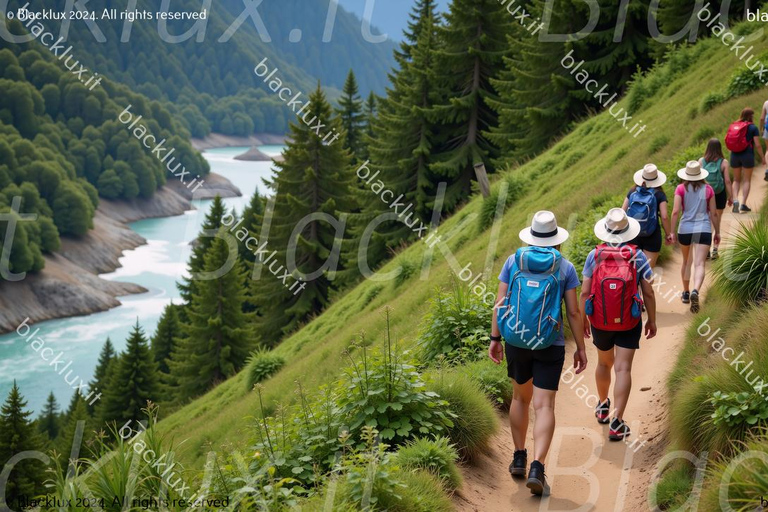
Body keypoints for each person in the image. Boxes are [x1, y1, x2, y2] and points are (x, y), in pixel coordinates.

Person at [489, 210, 588, 497]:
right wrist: (581, 347)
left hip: (516, 340)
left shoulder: (514, 261)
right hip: (549, 343)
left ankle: (519, 456)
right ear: (556, 239)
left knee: (520, 397)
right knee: (544, 406)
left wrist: (495, 337)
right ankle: (537, 467)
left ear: (531, 235)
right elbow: (572, 311)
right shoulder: (565, 267)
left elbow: (499, 302)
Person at [580, 208, 657, 442]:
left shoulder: (594, 256)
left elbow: (584, 292)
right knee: (623, 368)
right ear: (627, 232)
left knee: (604, 363)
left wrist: (585, 320)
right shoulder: (638, 256)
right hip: (628, 320)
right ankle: (617, 422)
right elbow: (648, 291)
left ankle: (603, 406)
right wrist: (652, 320)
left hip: (600, 321)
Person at [670, 161, 720, 313]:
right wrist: (717, 231)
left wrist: (671, 232)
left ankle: (685, 293)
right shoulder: (708, 189)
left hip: (685, 229)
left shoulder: (680, 189)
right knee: (699, 264)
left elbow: (675, 211)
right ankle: (695, 291)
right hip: (703, 229)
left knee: (686, 261)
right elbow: (714, 213)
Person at [622, 163, 672, 268]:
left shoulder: (632, 191)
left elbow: (622, 211)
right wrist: (668, 234)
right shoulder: (659, 194)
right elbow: (664, 217)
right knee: (647, 273)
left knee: (633, 270)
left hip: (632, 235)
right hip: (652, 235)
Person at [699, 138, 733, 259]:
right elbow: (727, 181)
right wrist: (731, 196)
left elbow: (698, 181)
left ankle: (706, 249)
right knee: (716, 222)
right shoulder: (723, 162)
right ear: (719, 148)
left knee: (708, 222)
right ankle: (715, 249)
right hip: (719, 194)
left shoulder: (701, 162)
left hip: (706, 195)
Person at [727, 107, 763, 212]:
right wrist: (762, 158)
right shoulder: (753, 128)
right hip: (747, 155)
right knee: (747, 180)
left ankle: (735, 200)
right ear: (751, 116)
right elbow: (758, 145)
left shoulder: (734, 126)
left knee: (736, 180)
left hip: (734, 155)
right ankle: (743, 204)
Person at [759, 99, 768, 181]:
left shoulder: (766, 103)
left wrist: (760, 129)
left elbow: (762, 118)